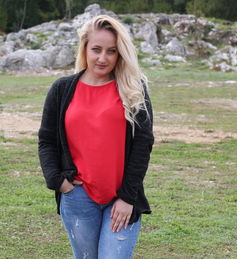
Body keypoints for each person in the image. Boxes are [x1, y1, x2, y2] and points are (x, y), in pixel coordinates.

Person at [38, 14, 154, 259]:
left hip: (121, 199)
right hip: (78, 198)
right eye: (96, 49)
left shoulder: (133, 89)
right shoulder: (62, 89)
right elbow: (47, 140)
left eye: (111, 51)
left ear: (120, 53)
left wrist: (127, 197)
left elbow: (143, 144)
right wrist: (58, 181)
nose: (103, 58)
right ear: (84, 48)